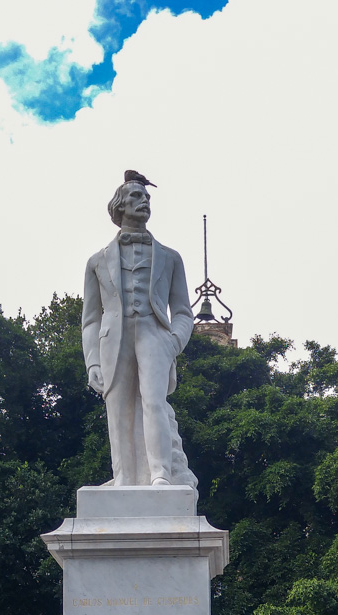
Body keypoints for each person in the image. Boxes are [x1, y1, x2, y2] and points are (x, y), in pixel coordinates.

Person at [82, 173, 196, 487]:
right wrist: (92, 361)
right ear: (119, 206)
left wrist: (173, 342)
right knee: (117, 409)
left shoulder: (170, 258)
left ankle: (160, 474)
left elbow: (183, 312)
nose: (144, 200)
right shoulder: (96, 262)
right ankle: (124, 478)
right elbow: (90, 319)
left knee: (154, 402)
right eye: (135, 196)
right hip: (112, 341)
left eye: (146, 197)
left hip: (154, 334)